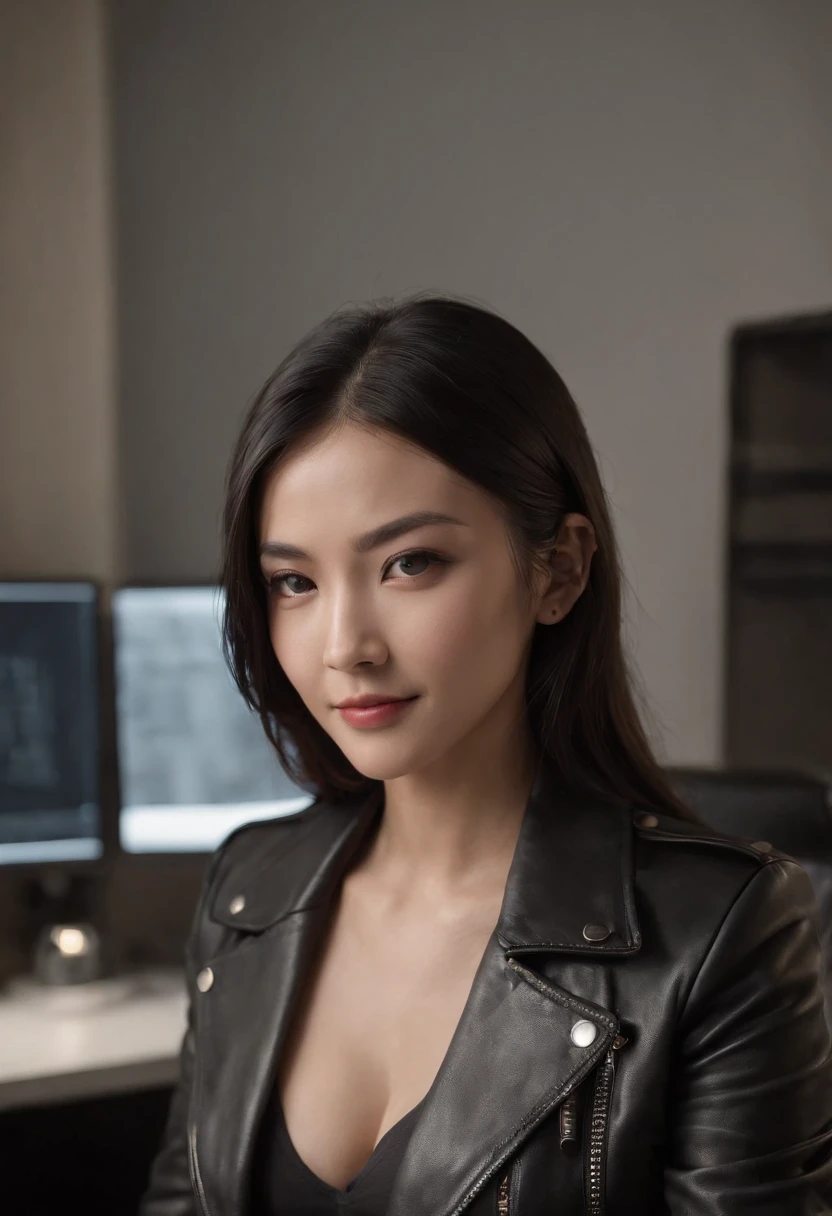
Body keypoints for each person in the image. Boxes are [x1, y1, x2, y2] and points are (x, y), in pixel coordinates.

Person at [139, 293, 832, 1216]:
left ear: (559, 571)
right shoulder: (247, 892)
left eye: (410, 563)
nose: (346, 644)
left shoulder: (726, 936)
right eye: (294, 582)